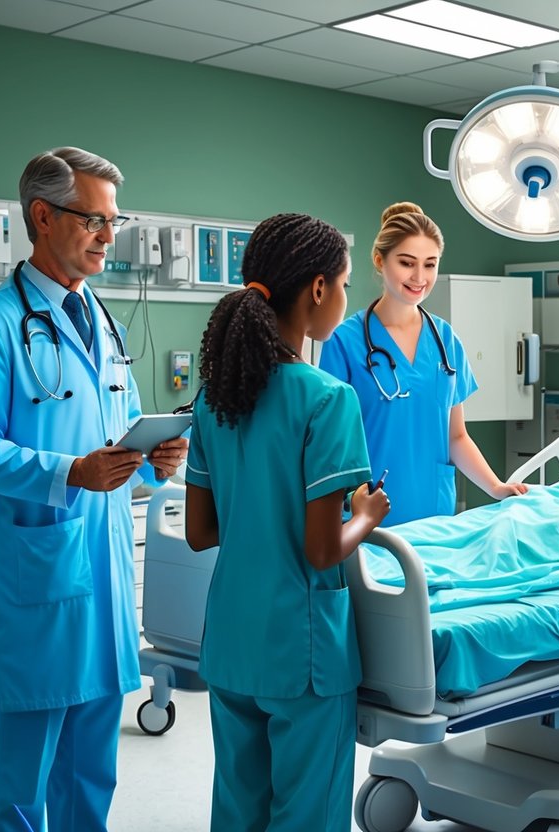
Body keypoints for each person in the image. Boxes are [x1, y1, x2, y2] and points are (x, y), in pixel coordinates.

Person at [0, 147, 188, 831]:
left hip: (105, 575)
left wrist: (154, 457)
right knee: (21, 783)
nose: (110, 236)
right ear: (43, 217)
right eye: (94, 220)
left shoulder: (102, 320)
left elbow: (119, 428)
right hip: (40, 583)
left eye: (115, 221)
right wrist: (67, 472)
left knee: (91, 773)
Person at [183, 213, 390, 832]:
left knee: (239, 808)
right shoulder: (327, 398)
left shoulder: (215, 398)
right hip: (302, 657)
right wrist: (368, 515)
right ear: (319, 290)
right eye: (347, 285)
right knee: (307, 815)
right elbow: (324, 550)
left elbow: (200, 532)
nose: (346, 300)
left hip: (232, 645)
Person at [318, 201, 526, 525]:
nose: (419, 277)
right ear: (379, 260)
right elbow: (330, 447)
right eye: (407, 263)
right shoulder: (344, 342)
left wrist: (497, 487)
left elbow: (456, 437)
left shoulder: (445, 340)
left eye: (430, 264)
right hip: (369, 526)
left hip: (437, 522)